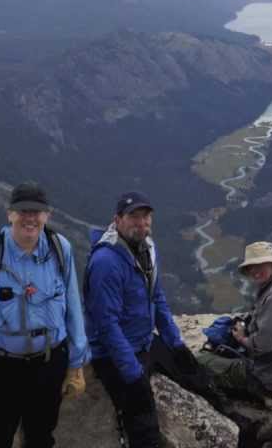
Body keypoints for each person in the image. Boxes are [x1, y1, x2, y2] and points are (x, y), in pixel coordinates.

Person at [0, 182, 89, 448]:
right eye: (22, 211)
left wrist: (76, 362)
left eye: (37, 212)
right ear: (10, 214)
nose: (30, 218)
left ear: (47, 216)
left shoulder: (59, 248)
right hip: (3, 367)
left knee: (41, 438)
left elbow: (73, 306)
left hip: (50, 362)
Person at [84, 191, 199, 448]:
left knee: (193, 372)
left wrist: (176, 343)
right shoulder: (106, 262)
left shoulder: (146, 249)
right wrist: (132, 372)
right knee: (142, 414)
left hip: (143, 342)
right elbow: (107, 326)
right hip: (113, 355)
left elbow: (157, 298)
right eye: (133, 217)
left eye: (146, 217)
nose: (142, 223)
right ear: (117, 220)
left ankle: (248, 429)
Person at [197, 241, 272, 400]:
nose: (255, 271)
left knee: (200, 360)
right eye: (251, 267)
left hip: (267, 377)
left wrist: (241, 338)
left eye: (260, 265)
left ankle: (225, 407)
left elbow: (263, 346)